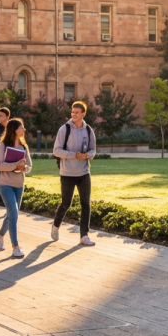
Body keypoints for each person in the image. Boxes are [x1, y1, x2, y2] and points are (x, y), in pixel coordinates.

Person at [51, 100, 97, 246]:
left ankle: (84, 235)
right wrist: (74, 155)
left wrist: (87, 155)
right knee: (66, 203)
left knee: (86, 204)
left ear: (83, 114)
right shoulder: (64, 129)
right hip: (67, 173)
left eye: (77, 112)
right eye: (72, 112)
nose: (74, 114)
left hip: (84, 172)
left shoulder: (88, 130)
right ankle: (56, 225)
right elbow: (56, 150)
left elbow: (93, 150)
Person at [0, 117, 32, 257]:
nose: (24, 130)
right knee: (14, 214)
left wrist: (23, 167)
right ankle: (15, 246)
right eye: (21, 127)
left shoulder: (23, 146)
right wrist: (15, 165)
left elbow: (29, 166)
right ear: (14, 130)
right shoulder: (2, 146)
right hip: (5, 184)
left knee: (11, 215)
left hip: (19, 184)